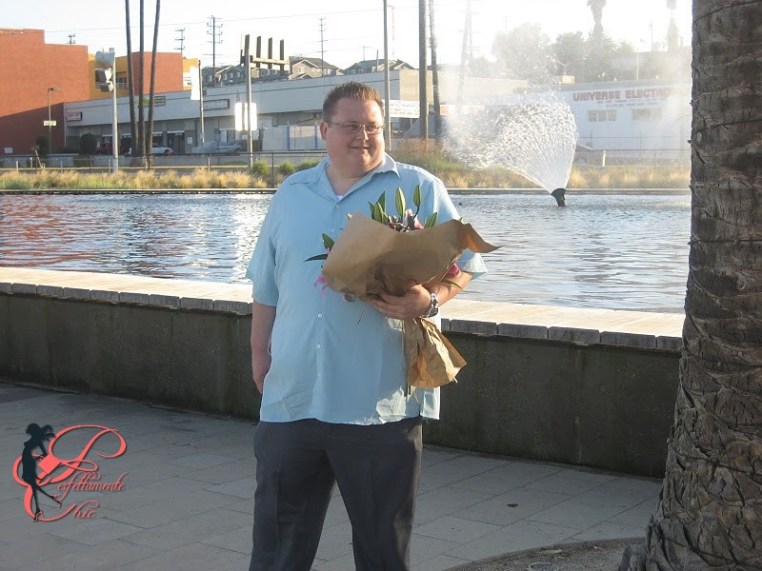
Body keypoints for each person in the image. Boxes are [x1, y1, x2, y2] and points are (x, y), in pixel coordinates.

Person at [246, 81, 487, 570]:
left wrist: (429, 300)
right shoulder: (292, 193)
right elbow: (266, 286)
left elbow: (466, 264)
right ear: (324, 130)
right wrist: (259, 357)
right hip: (292, 397)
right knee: (276, 547)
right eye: (350, 126)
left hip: (378, 405)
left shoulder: (418, 188)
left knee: (382, 549)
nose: (363, 136)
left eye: (373, 127)